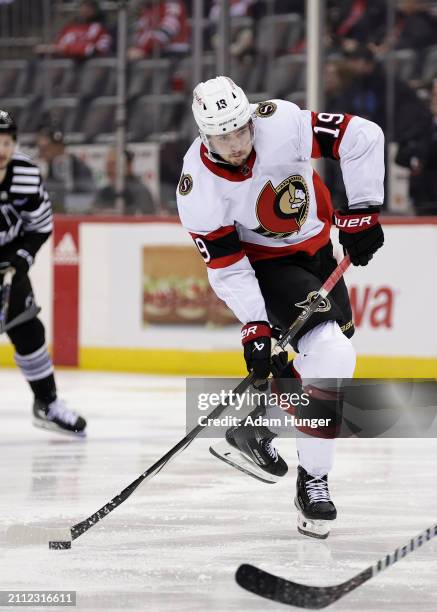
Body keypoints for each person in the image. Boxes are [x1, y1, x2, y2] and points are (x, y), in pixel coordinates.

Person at [176, 76, 384, 538]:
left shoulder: (282, 122)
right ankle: (313, 482)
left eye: (240, 130)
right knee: (332, 354)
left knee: (325, 364)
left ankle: (257, 428)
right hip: (266, 266)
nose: (235, 144)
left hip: (318, 252)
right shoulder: (198, 190)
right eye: (221, 136)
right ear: (203, 136)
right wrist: (255, 326)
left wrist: (364, 209)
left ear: (250, 117)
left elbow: (362, 135)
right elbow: (228, 267)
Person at [0, 110, 86, 436]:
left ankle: (47, 404)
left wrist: (22, 256)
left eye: (6, 142)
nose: (1, 149)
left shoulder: (25, 174)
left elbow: (41, 226)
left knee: (28, 333)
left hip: (9, 261)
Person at [36, 127, 95, 213]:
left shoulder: (77, 166)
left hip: (74, 214)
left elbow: (89, 197)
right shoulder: (43, 168)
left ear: (61, 147)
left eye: (47, 148)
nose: (43, 153)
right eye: (42, 149)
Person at [35, 0, 113, 60]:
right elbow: (60, 46)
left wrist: (77, 49)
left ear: (95, 9)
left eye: (89, 7)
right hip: (69, 70)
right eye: (83, 6)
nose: (85, 9)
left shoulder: (101, 28)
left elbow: (100, 49)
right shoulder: (70, 27)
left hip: (91, 69)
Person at [91, 148, 156, 215]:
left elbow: (145, 216)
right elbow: (94, 212)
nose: (109, 169)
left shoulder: (140, 191)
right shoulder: (104, 192)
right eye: (108, 165)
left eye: (113, 164)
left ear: (128, 167)